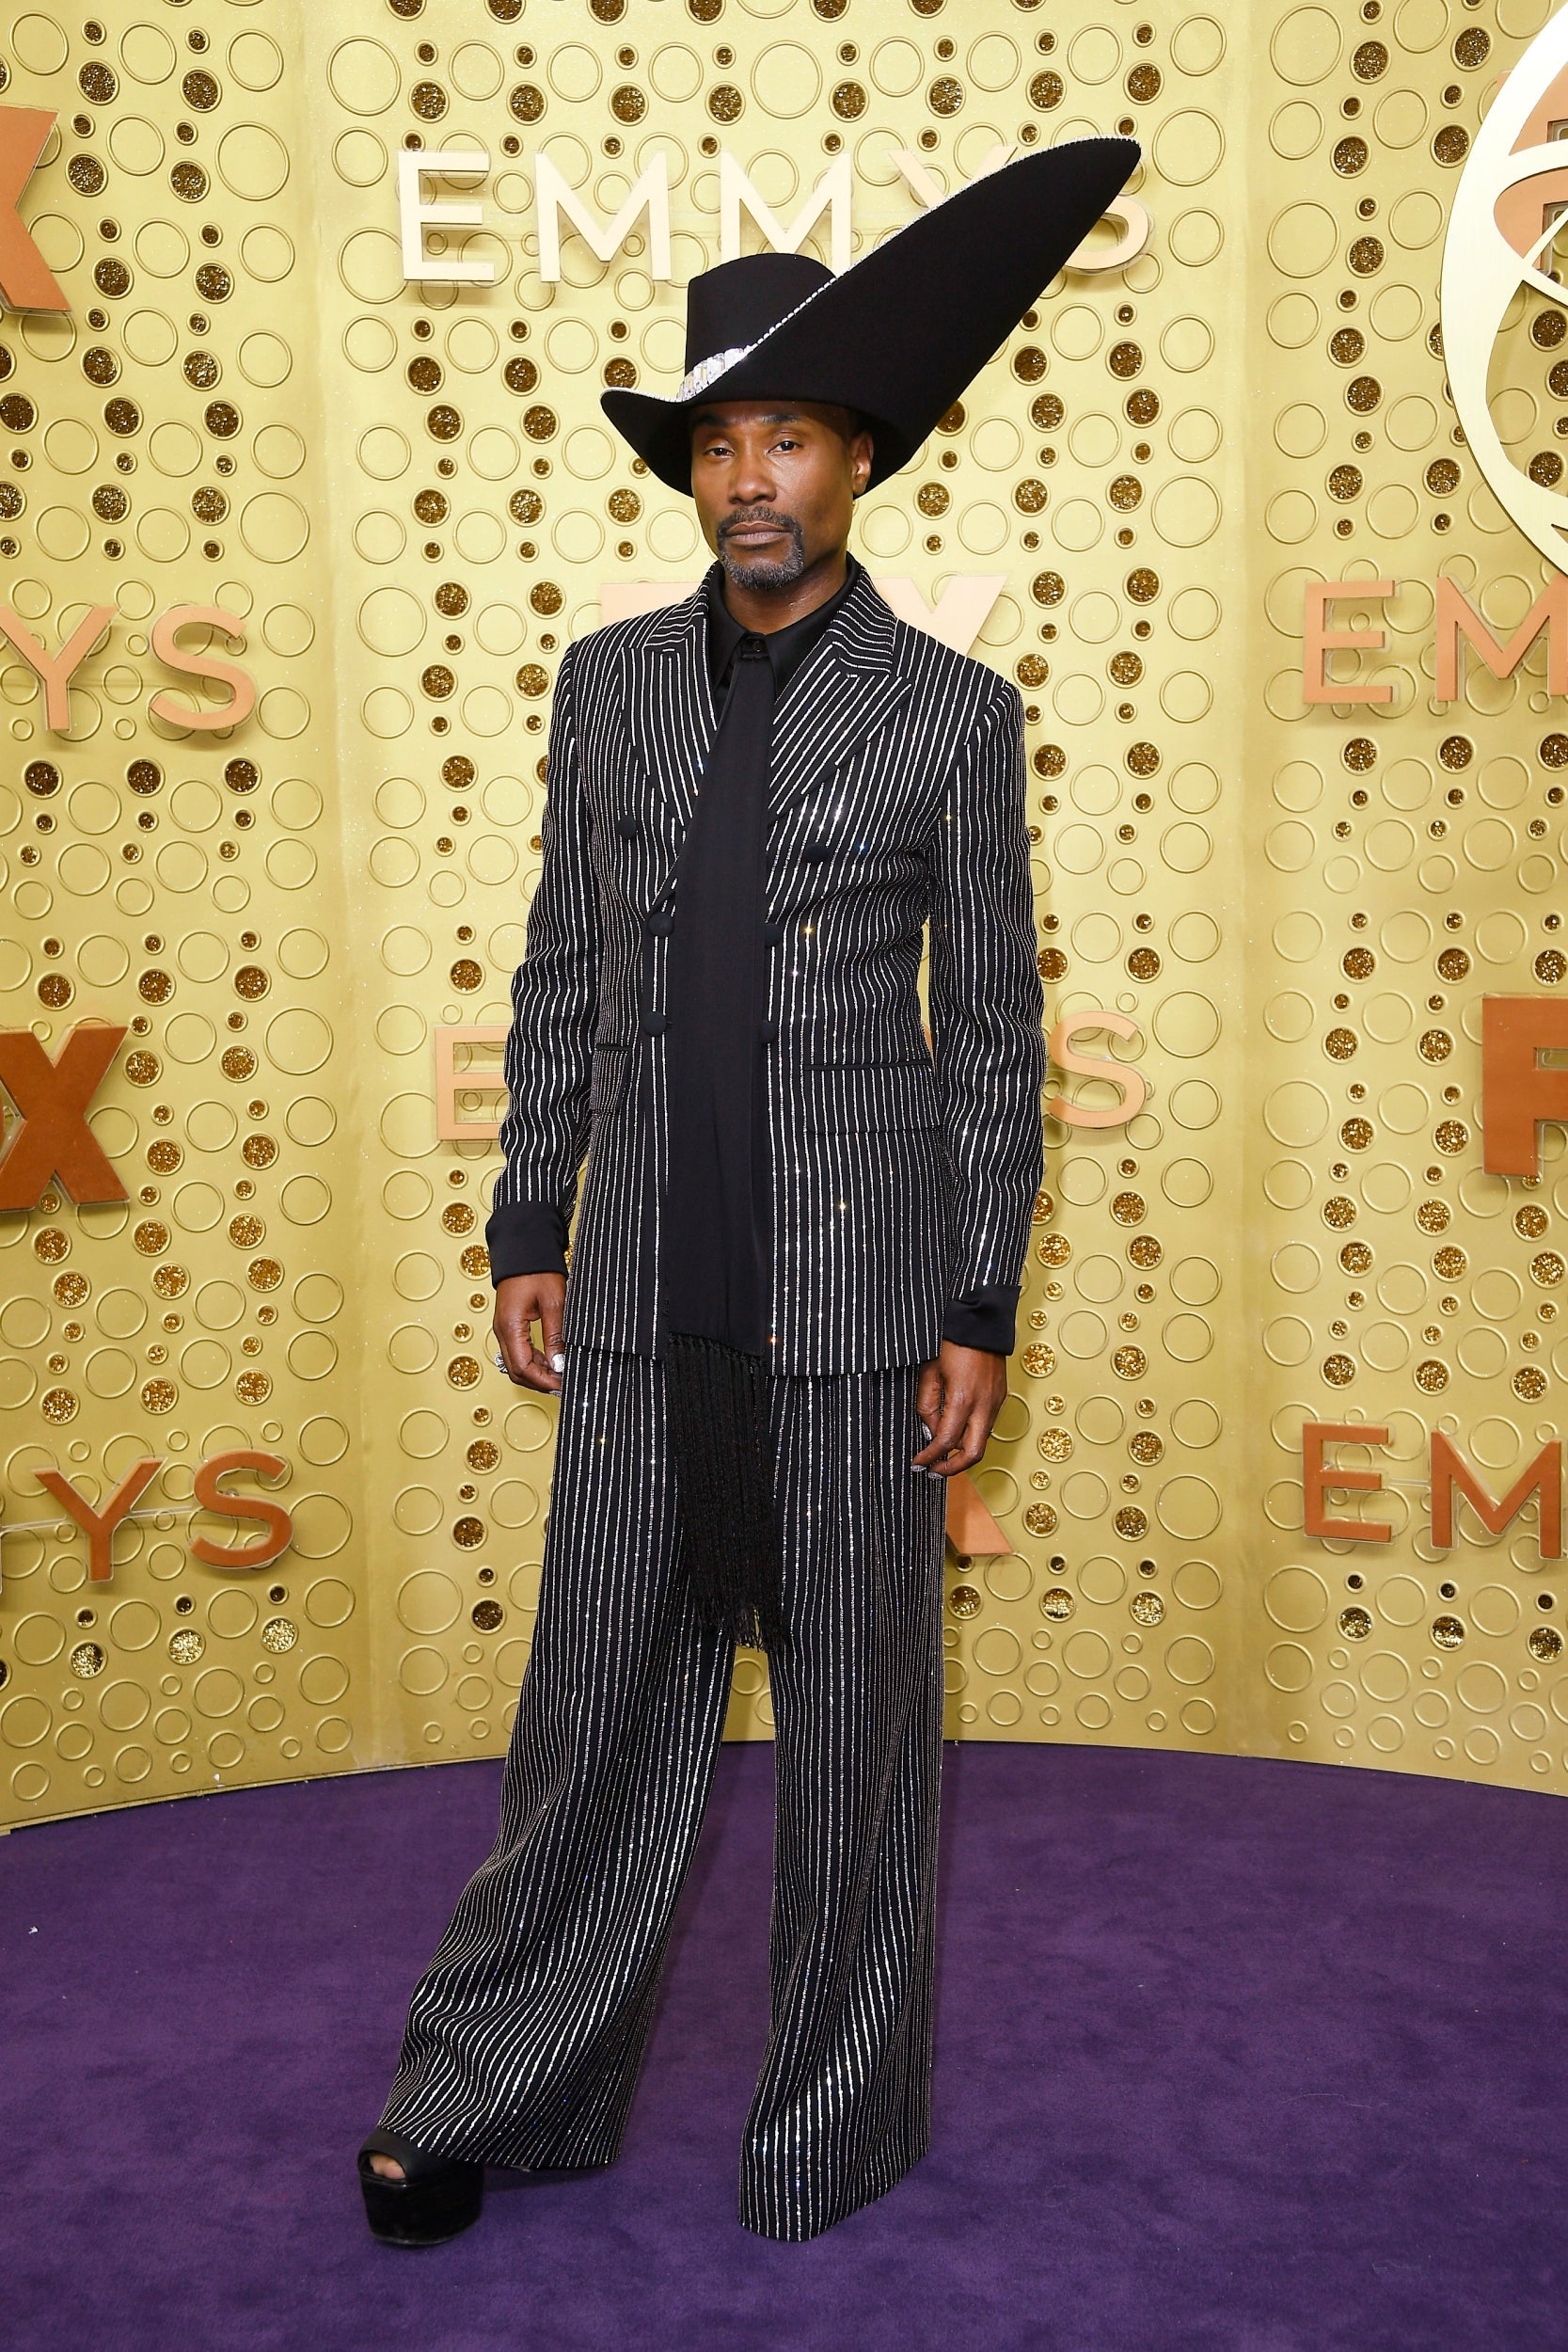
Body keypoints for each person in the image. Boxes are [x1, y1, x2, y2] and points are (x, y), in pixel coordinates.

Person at [358, 136, 1138, 2248]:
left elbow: (987, 1029)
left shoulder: (955, 720)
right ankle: (491, 2081)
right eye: (717, 441)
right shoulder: (605, 689)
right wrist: (532, 1215)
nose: (750, 478)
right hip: (634, 1302)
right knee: (592, 1710)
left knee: (864, 1749)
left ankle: (828, 2126)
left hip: (862, 1305)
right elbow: (561, 966)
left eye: (785, 433)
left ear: (856, 454)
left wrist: (981, 1294)